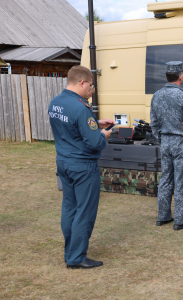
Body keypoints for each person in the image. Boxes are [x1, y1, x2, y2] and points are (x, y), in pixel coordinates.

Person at [48, 66, 114, 269]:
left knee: (69, 208)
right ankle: (76, 257)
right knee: (84, 211)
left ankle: (70, 252)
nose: (91, 91)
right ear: (82, 82)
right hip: (83, 165)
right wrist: (103, 134)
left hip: (64, 161)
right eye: (91, 86)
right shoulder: (80, 107)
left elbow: (72, 128)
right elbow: (94, 142)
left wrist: (95, 122)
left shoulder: (55, 102)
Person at [150, 61, 183, 231]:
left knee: (165, 179)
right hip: (181, 143)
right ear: (181, 76)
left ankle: (163, 216)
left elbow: (154, 123)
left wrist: (160, 139)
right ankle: (180, 219)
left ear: (166, 76)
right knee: (182, 181)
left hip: (165, 141)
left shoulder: (156, 95)